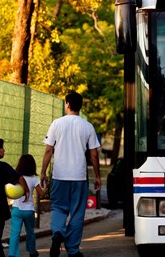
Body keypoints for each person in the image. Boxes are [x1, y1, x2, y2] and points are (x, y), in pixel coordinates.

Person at [40, 91, 101, 257]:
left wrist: (43, 172)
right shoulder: (87, 126)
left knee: (58, 208)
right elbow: (94, 155)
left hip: (59, 176)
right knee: (77, 213)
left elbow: (48, 150)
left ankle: (58, 232)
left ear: (67, 104)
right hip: (79, 177)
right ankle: (73, 250)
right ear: (80, 107)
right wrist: (97, 176)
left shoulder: (57, 124)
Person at [8, 154, 47, 257]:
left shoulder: (16, 178)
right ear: (32, 166)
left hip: (16, 209)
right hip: (29, 210)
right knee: (30, 232)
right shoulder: (34, 179)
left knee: (14, 234)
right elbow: (42, 194)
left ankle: (12, 254)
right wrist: (45, 185)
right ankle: (32, 252)